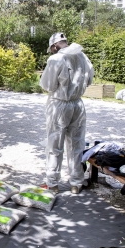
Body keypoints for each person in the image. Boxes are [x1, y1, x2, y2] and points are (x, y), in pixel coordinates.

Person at [40, 32, 94, 194]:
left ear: (54, 46)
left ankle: (52, 183)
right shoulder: (82, 56)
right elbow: (90, 79)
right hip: (78, 104)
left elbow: (48, 85)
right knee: (77, 144)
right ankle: (76, 183)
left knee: (55, 144)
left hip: (59, 104)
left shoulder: (55, 59)